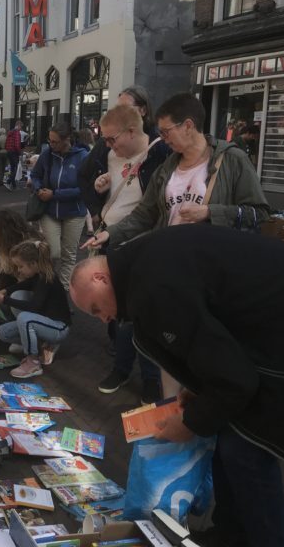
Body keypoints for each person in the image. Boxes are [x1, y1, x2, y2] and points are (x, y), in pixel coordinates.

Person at [69, 224, 284, 547]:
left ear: (100, 278)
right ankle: (231, 533)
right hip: (263, 330)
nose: (103, 319)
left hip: (278, 338)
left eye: (95, 309)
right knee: (229, 437)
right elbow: (214, 348)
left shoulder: (153, 289)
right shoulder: (140, 263)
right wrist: (201, 390)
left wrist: (189, 422)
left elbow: (236, 381)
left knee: (246, 449)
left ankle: (263, 539)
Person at [85, 93, 270, 252]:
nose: (163, 139)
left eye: (166, 132)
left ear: (188, 126)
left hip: (213, 264)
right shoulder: (167, 168)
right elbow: (144, 214)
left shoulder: (232, 160)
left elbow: (259, 214)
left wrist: (210, 212)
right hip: (172, 259)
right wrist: (110, 234)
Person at [87, 104, 171, 403]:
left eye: (112, 139)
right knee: (121, 315)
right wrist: (97, 194)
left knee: (143, 317)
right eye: (105, 139)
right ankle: (122, 369)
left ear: (132, 131)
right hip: (116, 241)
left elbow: (150, 210)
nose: (108, 145)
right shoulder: (108, 155)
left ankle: (150, 380)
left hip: (148, 246)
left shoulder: (162, 155)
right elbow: (89, 183)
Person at [79, 85, 171, 229]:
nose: (119, 113)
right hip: (108, 229)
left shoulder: (160, 147)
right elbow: (83, 174)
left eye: (126, 108)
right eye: (117, 108)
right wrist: (95, 206)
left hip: (140, 234)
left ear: (143, 111)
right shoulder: (105, 144)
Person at [0, 240, 71, 379]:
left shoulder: (47, 278)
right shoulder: (37, 275)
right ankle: (43, 346)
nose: (19, 270)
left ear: (33, 264)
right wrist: (3, 292)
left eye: (21, 266)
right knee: (3, 332)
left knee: (25, 318)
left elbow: (34, 306)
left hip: (59, 327)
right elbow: (23, 285)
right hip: (44, 322)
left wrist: (4, 300)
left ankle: (33, 362)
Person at [28, 122, 90, 290]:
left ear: (67, 140)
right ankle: (46, 288)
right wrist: (38, 187)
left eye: (55, 142)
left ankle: (62, 294)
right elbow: (35, 175)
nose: (51, 144)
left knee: (69, 255)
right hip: (49, 211)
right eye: (50, 141)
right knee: (52, 253)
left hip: (74, 212)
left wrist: (55, 195)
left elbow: (84, 188)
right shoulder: (47, 155)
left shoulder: (83, 156)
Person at [4, 121, 24, 191]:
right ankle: (9, 182)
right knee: (14, 168)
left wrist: (7, 149)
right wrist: (19, 152)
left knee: (12, 167)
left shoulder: (10, 132)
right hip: (14, 152)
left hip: (9, 151)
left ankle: (12, 183)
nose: (21, 129)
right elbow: (17, 144)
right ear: (18, 125)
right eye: (21, 127)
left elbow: (6, 142)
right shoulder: (17, 133)